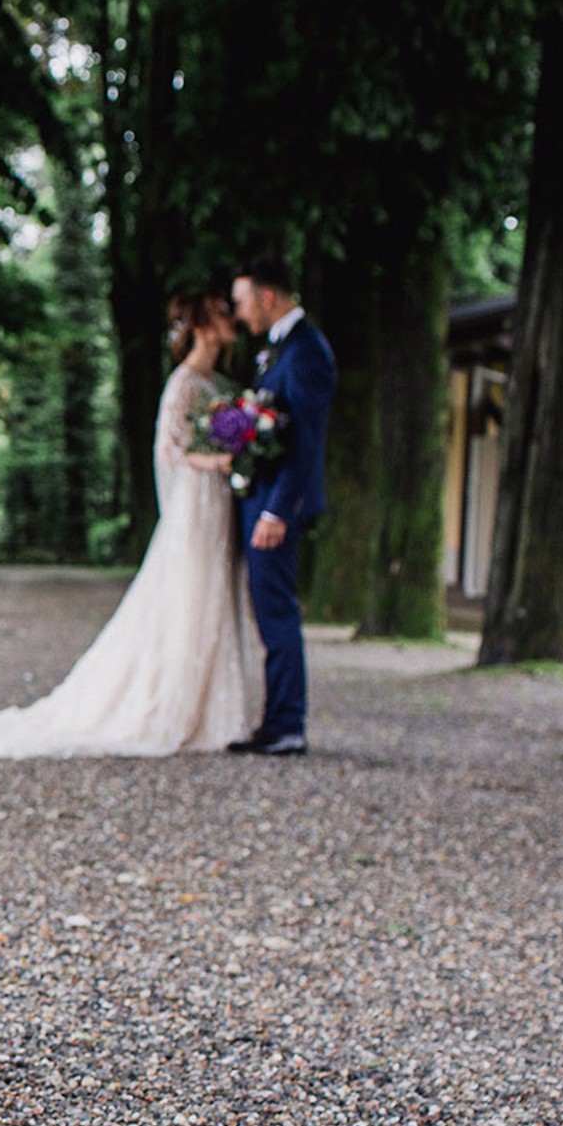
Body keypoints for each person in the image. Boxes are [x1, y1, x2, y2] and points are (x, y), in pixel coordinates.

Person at [0, 292, 253, 759]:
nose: (232, 321)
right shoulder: (183, 383)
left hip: (218, 507)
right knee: (185, 601)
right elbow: (168, 452)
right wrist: (219, 459)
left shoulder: (219, 384)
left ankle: (213, 711)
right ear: (202, 325)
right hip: (195, 508)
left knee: (211, 602)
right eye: (223, 314)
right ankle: (172, 708)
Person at [226, 254, 335, 757]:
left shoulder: (307, 351)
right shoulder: (278, 350)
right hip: (262, 499)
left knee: (276, 612)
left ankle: (287, 724)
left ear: (267, 297)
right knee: (266, 612)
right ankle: (275, 721)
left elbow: (306, 441)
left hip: (276, 507)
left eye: (243, 302)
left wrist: (277, 510)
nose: (240, 314)